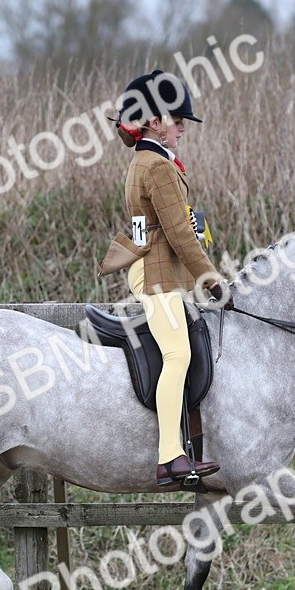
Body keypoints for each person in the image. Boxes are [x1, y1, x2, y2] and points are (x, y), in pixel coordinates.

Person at [110, 70, 234, 486]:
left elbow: (156, 227)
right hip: (160, 276)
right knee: (177, 355)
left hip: (159, 270)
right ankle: (169, 456)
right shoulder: (157, 166)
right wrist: (211, 278)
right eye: (176, 118)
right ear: (151, 120)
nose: (182, 126)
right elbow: (179, 235)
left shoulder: (144, 161)